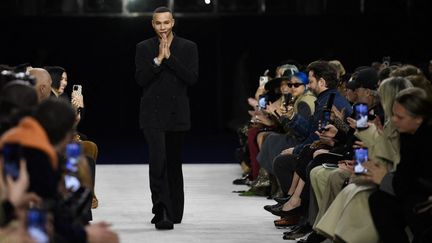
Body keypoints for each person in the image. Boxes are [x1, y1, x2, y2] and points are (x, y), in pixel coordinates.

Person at [134, 6, 199, 230]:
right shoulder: (143, 48)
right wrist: (157, 61)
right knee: (158, 161)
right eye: (158, 23)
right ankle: (161, 209)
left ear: (173, 23)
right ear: (153, 25)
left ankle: (175, 209)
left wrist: (169, 58)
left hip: (177, 113)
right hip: (151, 113)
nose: (162, 27)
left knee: (173, 162)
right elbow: (141, 79)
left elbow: (191, 78)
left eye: (166, 23)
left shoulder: (188, 47)